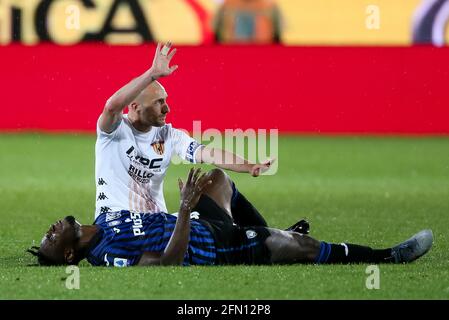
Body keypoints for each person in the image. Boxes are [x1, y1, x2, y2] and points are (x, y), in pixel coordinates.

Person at [28, 168, 433, 267]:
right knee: (297, 247)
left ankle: (264, 229)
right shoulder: (106, 254)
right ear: (67, 255)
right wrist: (184, 209)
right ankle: (386, 257)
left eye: (46, 232)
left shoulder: (105, 217)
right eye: (49, 241)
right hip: (211, 247)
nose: (48, 231)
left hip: (205, 224)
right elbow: (168, 263)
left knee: (218, 179)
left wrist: (185, 208)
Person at [95, 41, 273, 218]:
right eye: (158, 102)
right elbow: (111, 107)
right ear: (134, 106)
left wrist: (249, 166)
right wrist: (151, 74)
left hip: (159, 223)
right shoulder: (113, 131)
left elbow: (207, 153)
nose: (167, 109)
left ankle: (264, 235)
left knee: (218, 179)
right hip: (120, 223)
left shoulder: (168, 134)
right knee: (215, 226)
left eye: (165, 100)